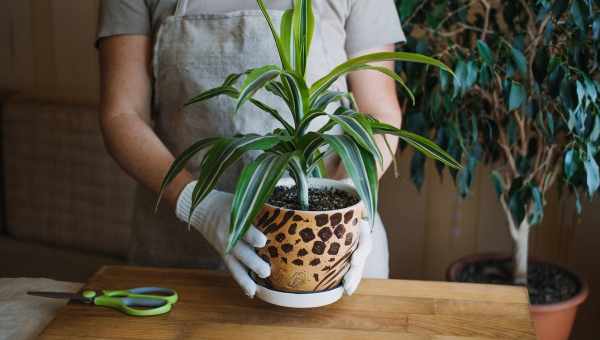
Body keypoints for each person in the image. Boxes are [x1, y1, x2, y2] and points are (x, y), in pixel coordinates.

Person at [97, 0, 405, 297]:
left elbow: (379, 112)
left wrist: (349, 203)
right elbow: (123, 114)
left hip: (328, 245)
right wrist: (198, 206)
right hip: (184, 244)